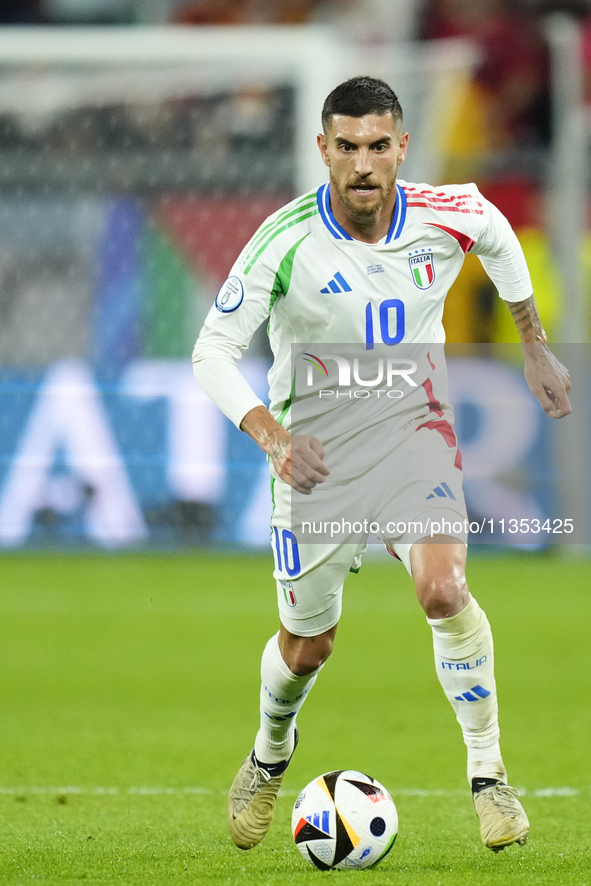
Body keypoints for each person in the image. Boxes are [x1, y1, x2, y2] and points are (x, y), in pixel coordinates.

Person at [192, 76, 571, 854]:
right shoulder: (284, 240)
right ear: (322, 148)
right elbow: (212, 352)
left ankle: (488, 775)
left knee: (443, 589)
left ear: (400, 147)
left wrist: (532, 342)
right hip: (315, 455)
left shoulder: (449, 211)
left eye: (377, 147)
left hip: (413, 433)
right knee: (307, 647)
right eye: (346, 148)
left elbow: (498, 238)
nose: (362, 165)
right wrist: (273, 438)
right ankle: (270, 753)